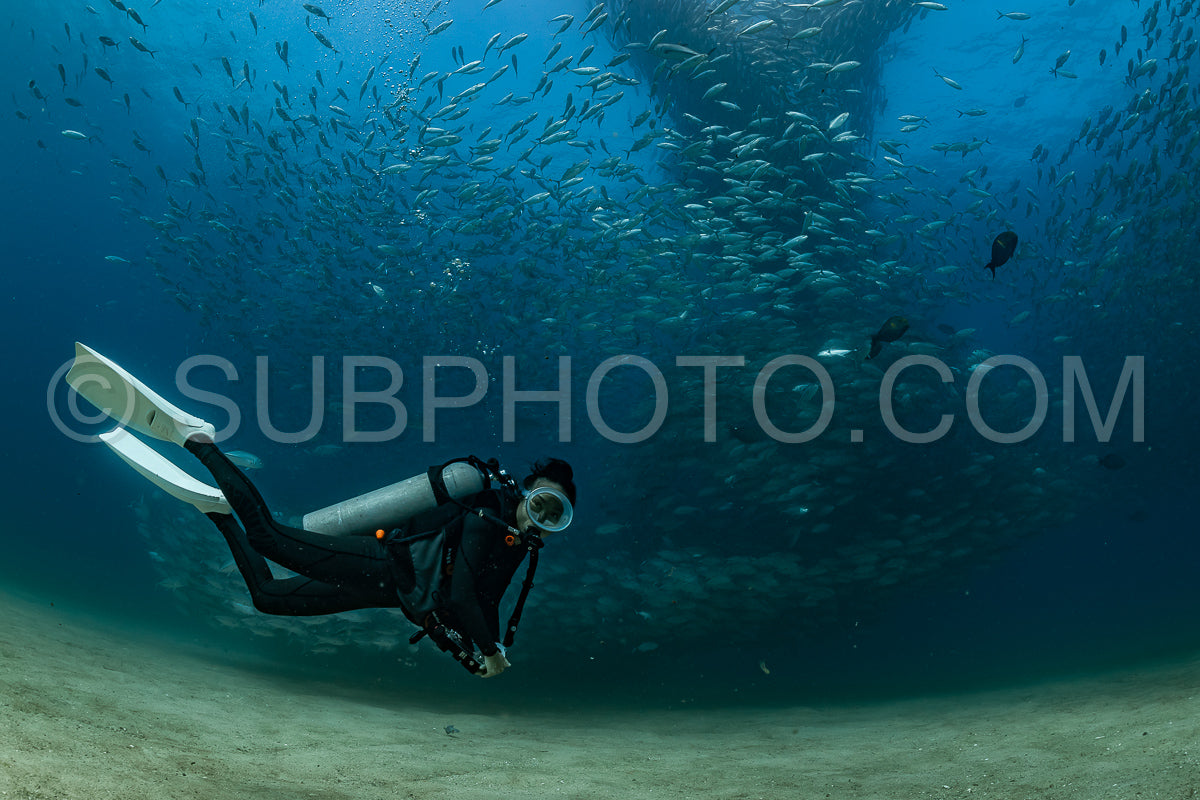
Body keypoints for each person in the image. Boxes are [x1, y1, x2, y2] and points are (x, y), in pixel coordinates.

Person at [64, 342, 576, 678]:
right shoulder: (489, 518)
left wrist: (492, 647)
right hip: (384, 565)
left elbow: (481, 601)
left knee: (269, 598)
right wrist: (489, 651)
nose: (541, 517)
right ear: (525, 492)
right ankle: (197, 439)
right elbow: (462, 593)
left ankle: (218, 512)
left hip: (389, 592)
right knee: (267, 537)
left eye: (555, 513)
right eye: (541, 502)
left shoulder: (517, 547)